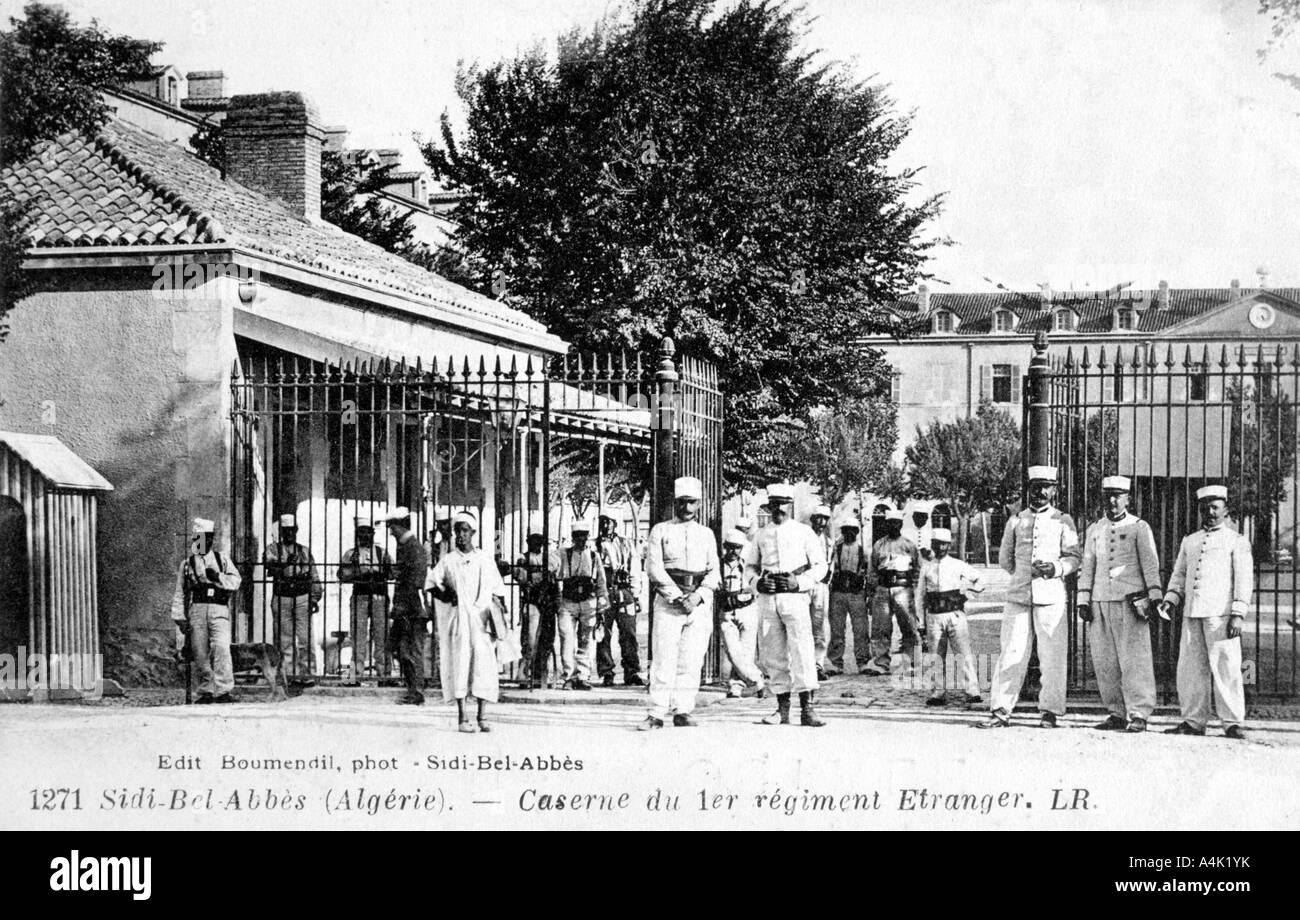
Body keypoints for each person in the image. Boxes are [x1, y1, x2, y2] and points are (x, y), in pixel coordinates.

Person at [980, 466, 1080, 729]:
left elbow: (1074, 558)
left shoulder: (1063, 520)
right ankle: (1001, 709)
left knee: (1052, 657)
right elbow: (1005, 559)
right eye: (1036, 486)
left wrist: (1055, 569)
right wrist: (1023, 576)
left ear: (1054, 490)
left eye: (1047, 486)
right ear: (1029, 489)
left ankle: (1050, 711)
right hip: (1019, 596)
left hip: (1051, 597)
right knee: (1011, 652)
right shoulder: (1016, 520)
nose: (1041, 491)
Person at [1159, 485, 1253, 740]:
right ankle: (1193, 720)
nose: (1209, 512)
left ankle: (1232, 722)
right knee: (1190, 669)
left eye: (1215, 507)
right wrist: (1171, 600)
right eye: (1205, 507)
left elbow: (1244, 579)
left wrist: (1238, 613)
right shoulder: (1190, 540)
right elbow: (1179, 575)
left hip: (1221, 615)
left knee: (1228, 668)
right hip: (1192, 613)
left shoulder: (1236, 540)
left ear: (1226, 510)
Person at [1076, 475, 1163, 733]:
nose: (1113, 500)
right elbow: (1088, 566)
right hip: (1100, 600)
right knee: (1105, 661)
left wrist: (1154, 595)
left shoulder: (1139, 527)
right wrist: (1084, 598)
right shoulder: (1095, 529)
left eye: (1118, 495)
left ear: (1128, 498)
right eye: (1108, 495)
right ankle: (1115, 712)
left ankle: (1139, 713)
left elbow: (1150, 563)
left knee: (1135, 660)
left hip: (1130, 601)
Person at [639, 476, 721, 729]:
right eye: (682, 502)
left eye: (692, 503)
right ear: (675, 503)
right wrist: (676, 596)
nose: (687, 508)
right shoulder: (661, 530)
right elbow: (654, 568)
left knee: (691, 658)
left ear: (699, 504)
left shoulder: (706, 534)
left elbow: (714, 571)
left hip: (698, 603)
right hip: (669, 603)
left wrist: (698, 596)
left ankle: (683, 710)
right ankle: (656, 712)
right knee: (664, 658)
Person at [745, 484, 828, 727]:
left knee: (802, 649)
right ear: (769, 506)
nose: (778, 508)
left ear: (789, 505)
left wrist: (799, 582)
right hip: (769, 599)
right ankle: (781, 709)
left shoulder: (804, 532)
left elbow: (820, 566)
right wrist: (757, 583)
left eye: (783, 503)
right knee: (773, 652)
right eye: (774, 503)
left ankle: (808, 709)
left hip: (795, 597)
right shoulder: (761, 534)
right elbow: (750, 567)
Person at [429, 511, 509, 733]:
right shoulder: (448, 560)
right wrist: (447, 596)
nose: (461, 535)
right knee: (461, 664)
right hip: (460, 622)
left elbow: (498, 589)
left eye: (465, 531)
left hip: (482, 621)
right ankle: (463, 718)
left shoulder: (484, 558)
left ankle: (483, 716)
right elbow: (432, 583)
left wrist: (502, 614)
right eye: (457, 531)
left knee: (484, 667)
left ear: (473, 533)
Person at [171, 517, 241, 704]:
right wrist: (180, 617)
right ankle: (206, 690)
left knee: (221, 647)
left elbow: (236, 582)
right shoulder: (187, 564)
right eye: (198, 538)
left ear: (211, 539)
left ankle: (223, 689)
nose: (201, 542)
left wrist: (218, 576)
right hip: (198, 609)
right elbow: (180, 591)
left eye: (206, 538)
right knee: (200, 652)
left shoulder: (222, 560)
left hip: (218, 609)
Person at [916, 527, 985, 707]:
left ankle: (972, 690)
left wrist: (967, 593)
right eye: (937, 544)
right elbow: (920, 596)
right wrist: (921, 622)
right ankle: (937, 691)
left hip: (955, 614)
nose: (940, 548)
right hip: (934, 616)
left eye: (944, 544)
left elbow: (980, 580)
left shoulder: (957, 564)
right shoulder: (927, 566)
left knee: (963, 653)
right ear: (932, 545)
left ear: (949, 545)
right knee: (935, 655)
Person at [264, 513, 323, 681]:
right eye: (286, 531)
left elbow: (313, 574)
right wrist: (286, 563)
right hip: (282, 595)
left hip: (302, 595)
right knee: (284, 640)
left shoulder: (304, 551)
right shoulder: (273, 549)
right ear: (282, 532)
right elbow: (269, 566)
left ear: (296, 531)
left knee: (306, 639)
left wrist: (315, 596)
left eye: (292, 530)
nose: (289, 534)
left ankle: (307, 674)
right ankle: (288, 674)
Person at [863, 508, 920, 676]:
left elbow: (917, 569)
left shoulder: (909, 545)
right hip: (882, 588)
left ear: (901, 524)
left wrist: (915, 590)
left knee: (908, 626)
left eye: (896, 523)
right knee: (880, 627)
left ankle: (910, 663)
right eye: (890, 523)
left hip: (903, 588)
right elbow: (872, 570)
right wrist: (871, 592)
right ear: (886, 525)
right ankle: (881, 663)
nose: (893, 526)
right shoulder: (879, 545)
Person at [552, 519, 607, 691]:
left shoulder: (593, 555)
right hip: (568, 602)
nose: (581, 539)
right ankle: (569, 675)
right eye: (577, 536)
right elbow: (551, 564)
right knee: (567, 638)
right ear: (573, 537)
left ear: (588, 537)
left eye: (584, 536)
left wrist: (601, 603)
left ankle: (583, 676)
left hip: (588, 602)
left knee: (586, 640)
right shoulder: (562, 553)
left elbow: (601, 581)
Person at [383, 506, 429, 705]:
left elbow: (416, 581)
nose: (391, 532)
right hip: (405, 608)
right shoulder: (406, 546)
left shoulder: (412, 547)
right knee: (401, 649)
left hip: (411, 609)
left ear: (400, 525)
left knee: (410, 650)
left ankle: (416, 691)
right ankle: (413, 689)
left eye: (392, 527)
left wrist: (404, 609)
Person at [338, 516, 392, 677]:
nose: (365, 536)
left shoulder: (382, 552)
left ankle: (384, 673)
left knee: (381, 635)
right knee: (358, 636)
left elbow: (393, 572)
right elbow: (341, 574)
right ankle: (356, 673)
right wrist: (355, 570)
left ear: (372, 534)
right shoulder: (351, 553)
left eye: (367, 533)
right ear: (357, 534)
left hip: (378, 595)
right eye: (361, 533)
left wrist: (379, 571)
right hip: (360, 594)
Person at [596, 513, 644, 687]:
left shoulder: (625, 543)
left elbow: (635, 568)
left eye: (610, 522)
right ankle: (607, 672)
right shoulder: (594, 545)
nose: (607, 526)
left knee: (628, 633)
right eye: (603, 522)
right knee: (603, 633)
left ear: (616, 524)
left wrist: (636, 595)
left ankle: (631, 671)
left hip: (624, 591)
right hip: (604, 592)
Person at [719, 528, 764, 698]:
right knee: (732, 650)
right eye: (729, 547)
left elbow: (756, 586)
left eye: (736, 547)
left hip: (747, 609)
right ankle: (756, 678)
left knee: (746, 651)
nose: (732, 551)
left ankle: (736, 686)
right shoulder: (719, 565)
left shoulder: (748, 566)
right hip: (727, 611)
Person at [827, 516, 872, 676]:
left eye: (852, 530)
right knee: (837, 629)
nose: (849, 533)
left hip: (856, 593)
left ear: (857, 532)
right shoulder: (835, 549)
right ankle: (836, 662)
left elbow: (869, 573)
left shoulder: (863, 550)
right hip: (838, 592)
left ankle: (863, 661)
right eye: (846, 530)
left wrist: (868, 594)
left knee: (860, 629)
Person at [514, 529, 558, 688]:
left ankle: (542, 674)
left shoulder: (550, 557)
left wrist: (535, 575)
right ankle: (525, 674)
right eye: (534, 540)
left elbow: (554, 569)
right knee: (530, 638)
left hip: (547, 602)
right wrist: (540, 575)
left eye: (540, 540)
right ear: (528, 541)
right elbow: (521, 576)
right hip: (531, 600)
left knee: (547, 638)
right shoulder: (522, 557)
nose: (537, 543)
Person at [808, 504, 834, 679]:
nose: (821, 522)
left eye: (825, 519)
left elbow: (831, 564)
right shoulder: (803, 537)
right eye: (818, 518)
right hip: (803, 584)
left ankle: (817, 664)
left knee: (820, 625)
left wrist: (827, 577)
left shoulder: (829, 542)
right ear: (812, 519)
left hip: (821, 586)